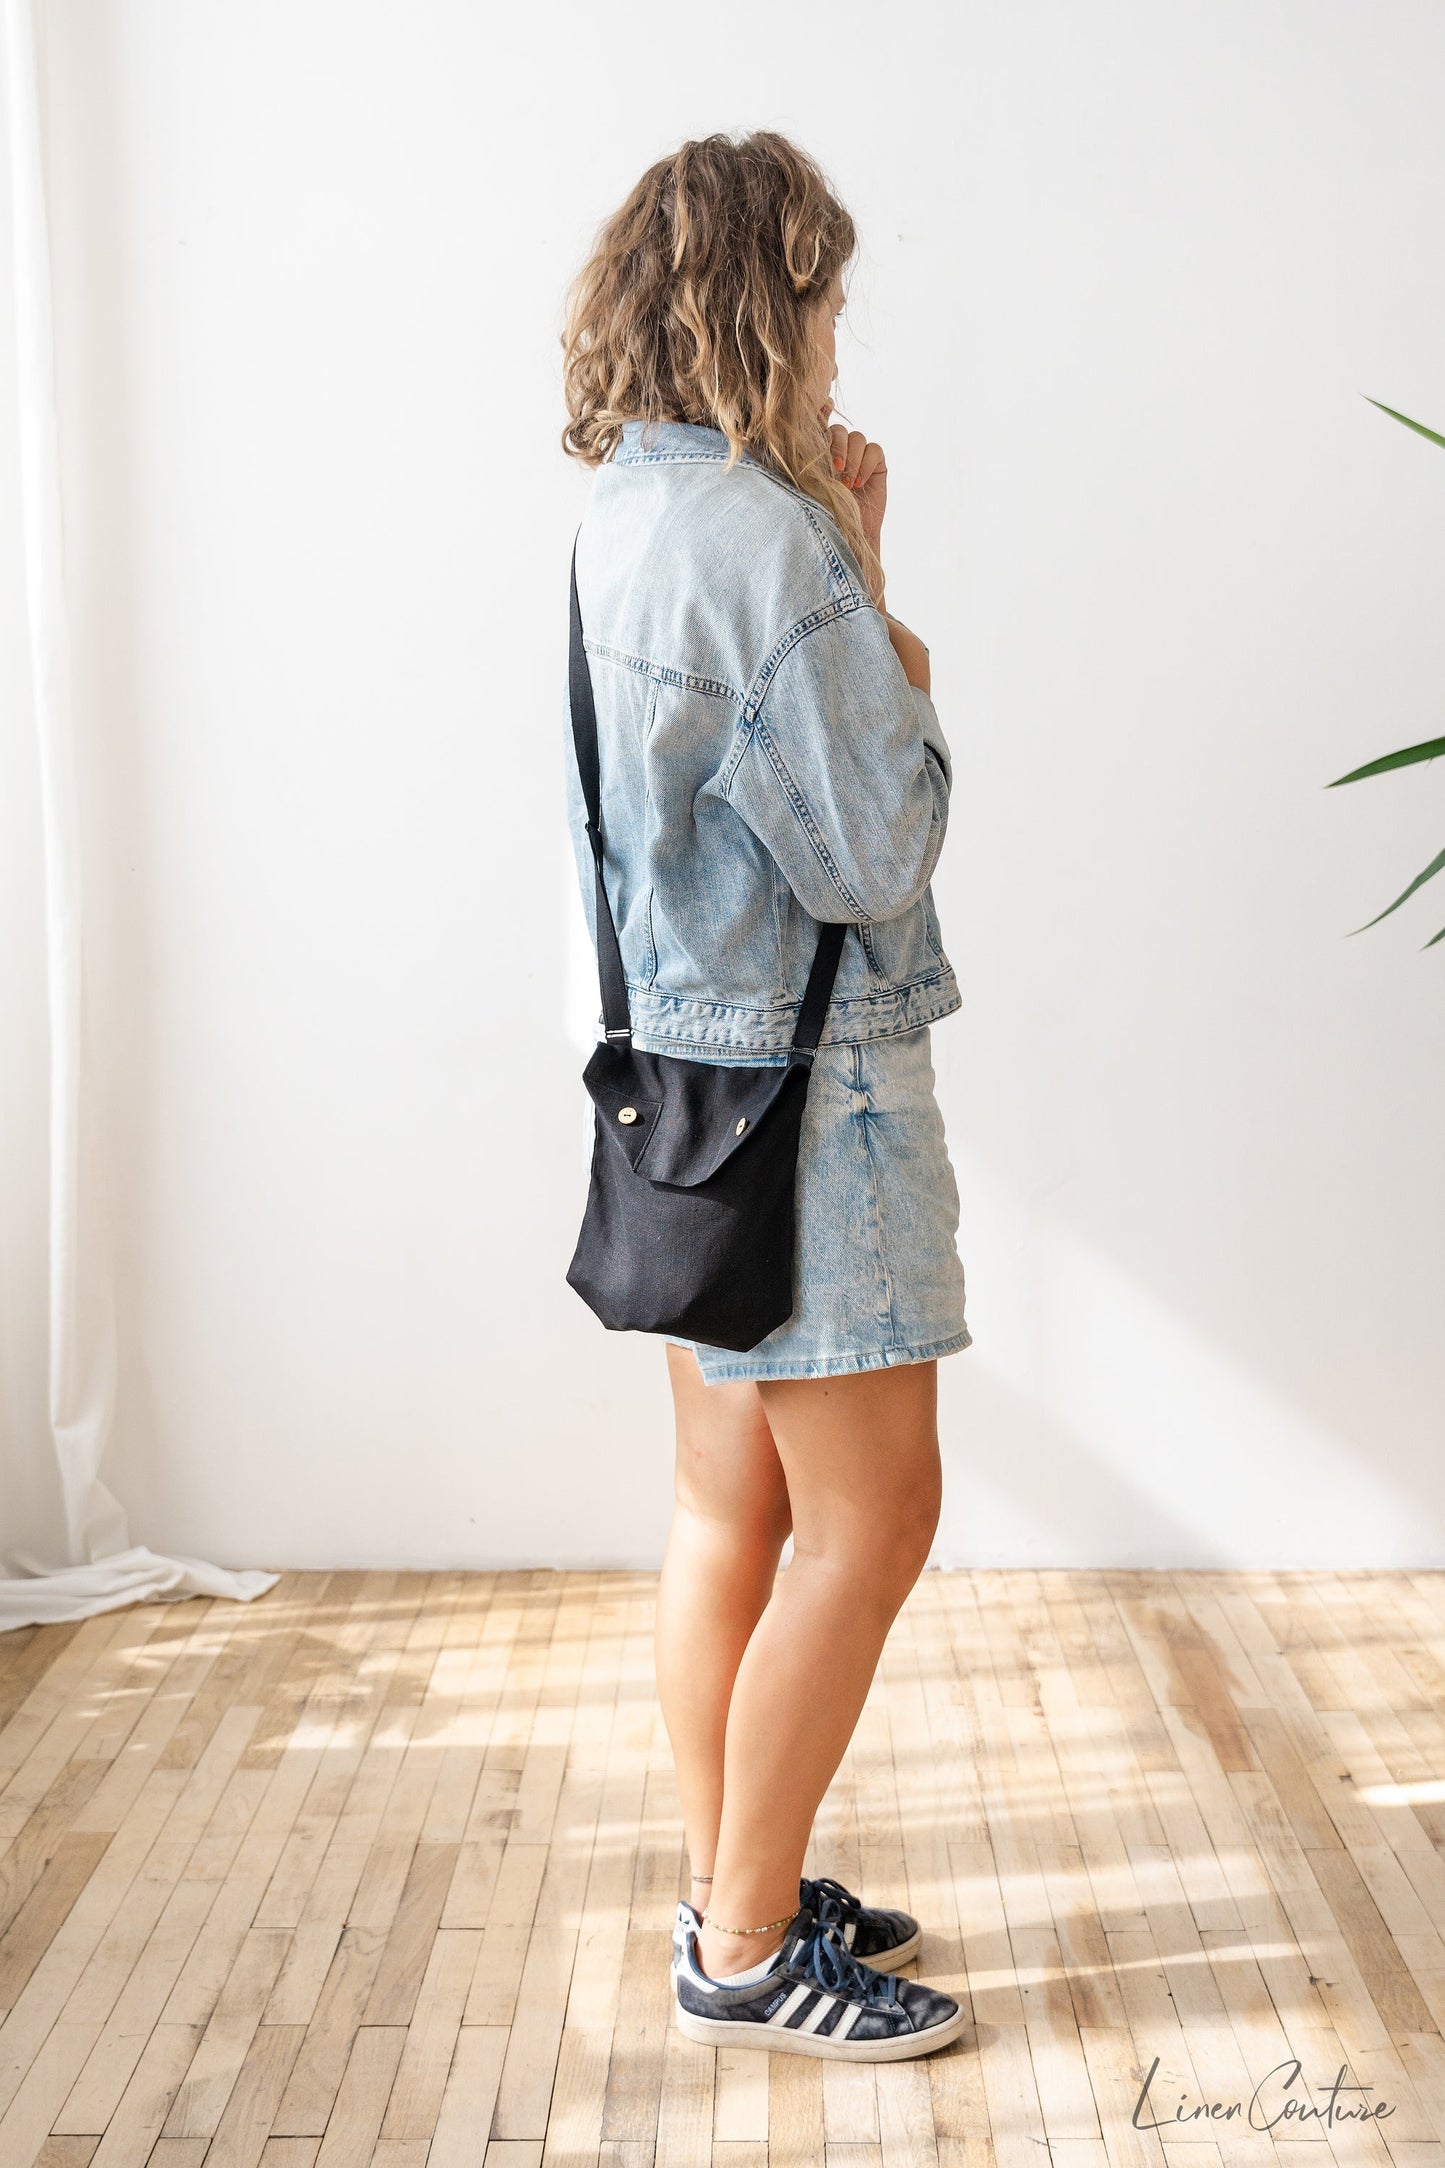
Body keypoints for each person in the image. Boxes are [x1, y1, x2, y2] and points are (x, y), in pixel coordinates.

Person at [559, 130, 972, 2061]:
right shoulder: (767, 538)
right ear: (764, 301)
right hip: (815, 1099)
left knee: (724, 1508)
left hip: (681, 1084)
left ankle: (730, 1871)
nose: (830, 340)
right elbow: (877, 845)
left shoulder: (627, 511)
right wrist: (874, 587)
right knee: (870, 1526)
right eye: (820, 302)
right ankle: (740, 1946)